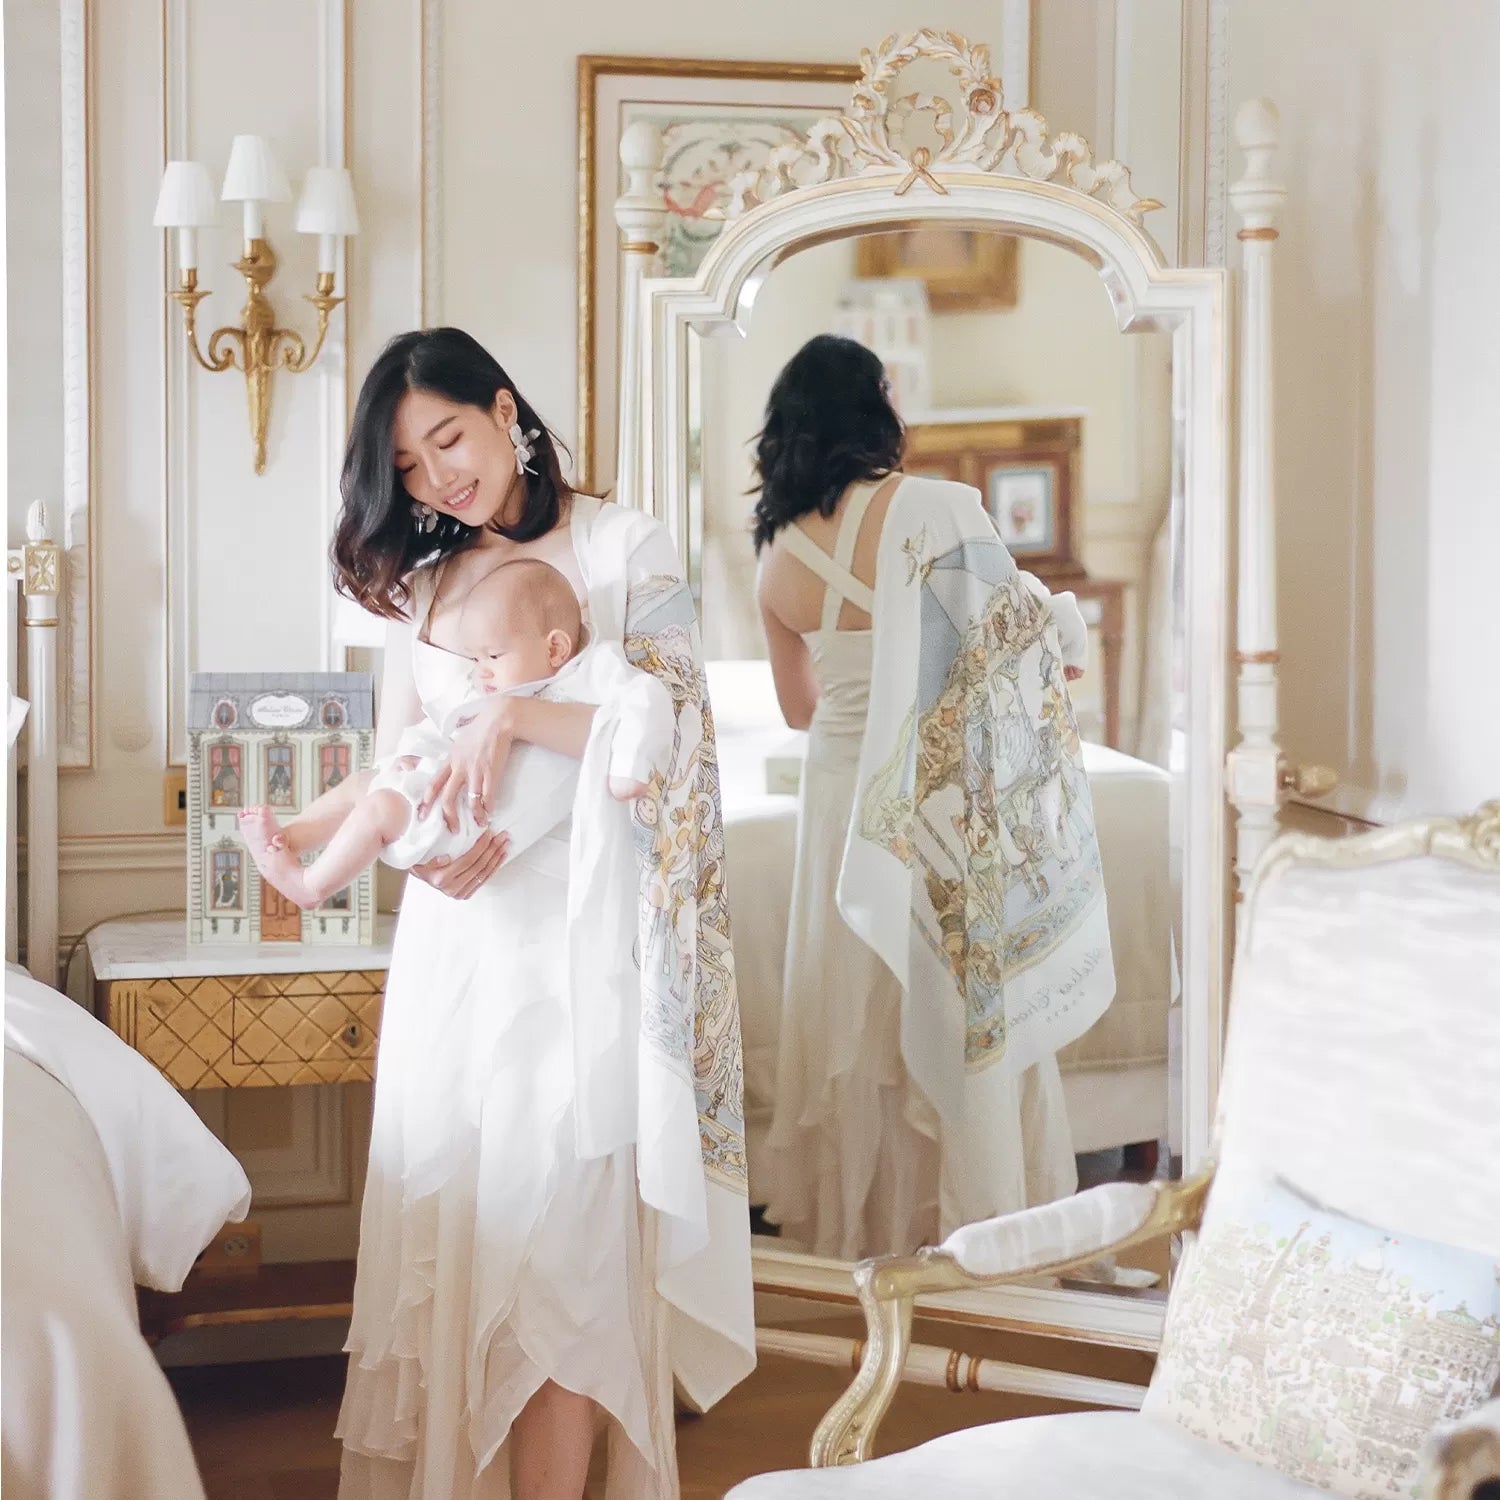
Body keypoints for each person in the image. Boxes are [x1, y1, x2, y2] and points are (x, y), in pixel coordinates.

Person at [328, 327, 754, 1500]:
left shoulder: (625, 545)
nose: (438, 478)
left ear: (506, 410)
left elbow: (678, 745)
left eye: (449, 438)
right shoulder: (422, 584)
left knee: (567, 1271)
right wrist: (411, 858)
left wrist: (514, 716)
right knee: (465, 1245)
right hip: (458, 959)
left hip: (586, 959)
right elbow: (391, 765)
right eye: (408, 466)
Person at [753, 334, 1116, 1261]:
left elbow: (799, 710)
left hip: (841, 804)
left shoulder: (777, 560)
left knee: (859, 1002)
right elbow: (1009, 633)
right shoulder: (939, 508)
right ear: (874, 406)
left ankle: (869, 1240)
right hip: (940, 795)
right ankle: (973, 1226)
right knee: (956, 999)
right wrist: (1062, 627)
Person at [236, 559, 673, 911]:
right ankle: (288, 841)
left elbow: (645, 701)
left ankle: (310, 887)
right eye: (475, 658)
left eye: (493, 656)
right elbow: (445, 729)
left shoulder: (590, 674)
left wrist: (629, 771)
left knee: (378, 808)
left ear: (555, 647)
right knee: (360, 784)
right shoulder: (496, 685)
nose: (481, 671)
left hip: (469, 822)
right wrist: (411, 756)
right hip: (440, 790)